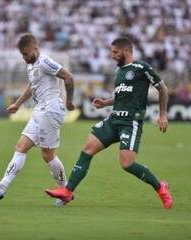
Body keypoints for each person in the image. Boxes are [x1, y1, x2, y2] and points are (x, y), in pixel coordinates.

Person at [45, 37, 173, 209]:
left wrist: (163, 114)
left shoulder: (142, 68)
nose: (111, 55)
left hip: (131, 122)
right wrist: (106, 103)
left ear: (126, 51)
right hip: (113, 120)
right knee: (87, 149)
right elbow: (122, 97)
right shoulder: (118, 72)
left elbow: (162, 88)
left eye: (115, 52)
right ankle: (68, 192)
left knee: (127, 163)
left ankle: (160, 187)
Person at [0, 33, 75, 206]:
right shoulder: (31, 65)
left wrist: (68, 101)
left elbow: (68, 77)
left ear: (35, 48)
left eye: (26, 54)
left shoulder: (45, 61)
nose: (24, 58)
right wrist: (17, 104)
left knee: (47, 155)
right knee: (21, 147)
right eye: (22, 55)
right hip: (40, 110)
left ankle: (65, 191)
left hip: (51, 110)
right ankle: (2, 186)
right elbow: (33, 86)